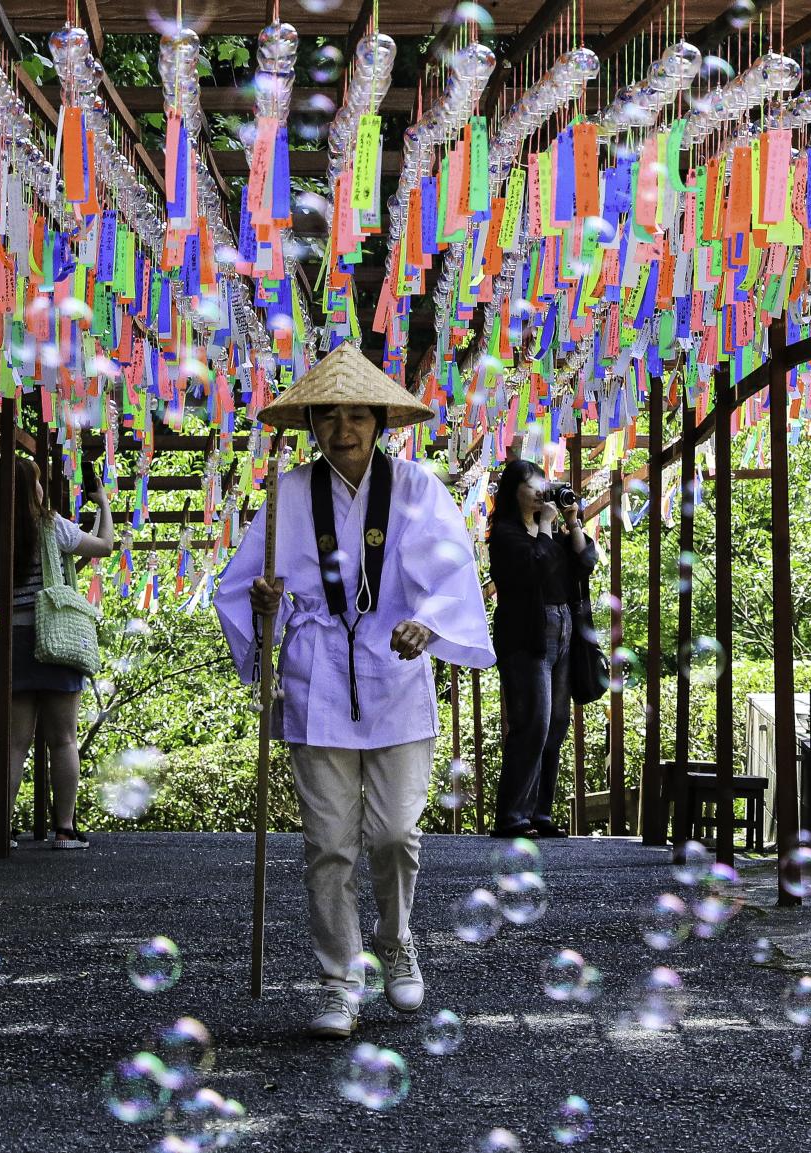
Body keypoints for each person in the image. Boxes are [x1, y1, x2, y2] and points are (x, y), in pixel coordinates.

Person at [215, 343, 494, 1040]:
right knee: (328, 844)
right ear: (313, 423)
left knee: (396, 831)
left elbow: (451, 570)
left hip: (395, 672)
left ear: (379, 420)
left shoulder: (416, 488)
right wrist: (264, 602)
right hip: (317, 680)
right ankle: (339, 980)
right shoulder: (285, 496)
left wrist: (425, 625)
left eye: (357, 415)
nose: (345, 428)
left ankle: (396, 939)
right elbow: (243, 586)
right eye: (330, 415)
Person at [0, 455, 114, 850]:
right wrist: (103, 504)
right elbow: (104, 546)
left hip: (9, 644)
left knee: (14, 743)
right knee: (63, 739)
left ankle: (2, 828)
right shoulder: (50, 526)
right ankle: (63, 829)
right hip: (58, 640)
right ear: (31, 488)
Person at [487, 458, 598, 840]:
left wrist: (571, 520)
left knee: (556, 725)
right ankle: (512, 817)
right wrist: (547, 527)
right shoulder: (505, 533)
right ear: (513, 490)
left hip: (564, 627)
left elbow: (585, 561)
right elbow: (536, 566)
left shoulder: (553, 530)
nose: (539, 491)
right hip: (528, 635)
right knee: (532, 722)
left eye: (542, 484)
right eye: (531, 485)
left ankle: (539, 812)